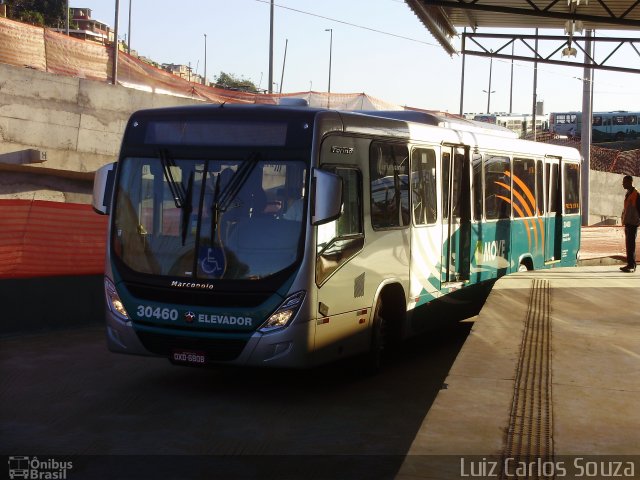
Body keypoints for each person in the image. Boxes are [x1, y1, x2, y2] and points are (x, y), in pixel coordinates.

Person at [620, 175, 640, 273]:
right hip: (628, 222)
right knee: (628, 244)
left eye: (625, 182)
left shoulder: (636, 194)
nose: (623, 184)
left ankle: (632, 265)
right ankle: (629, 264)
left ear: (630, 182)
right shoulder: (628, 193)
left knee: (631, 244)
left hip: (633, 223)